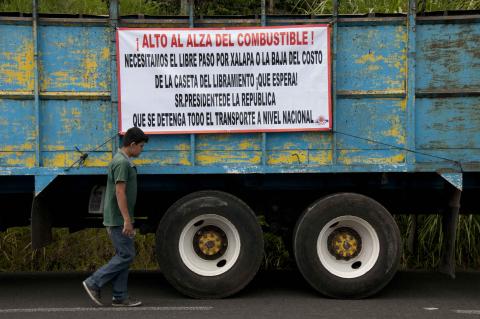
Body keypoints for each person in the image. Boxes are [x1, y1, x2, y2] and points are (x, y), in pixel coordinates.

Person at [83, 127, 148, 307]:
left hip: (120, 218)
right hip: (118, 219)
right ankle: (93, 282)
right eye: (141, 146)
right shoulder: (121, 163)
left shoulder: (123, 160)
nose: (142, 150)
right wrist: (127, 220)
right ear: (132, 145)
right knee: (127, 255)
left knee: (123, 254)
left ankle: (120, 296)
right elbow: (120, 192)